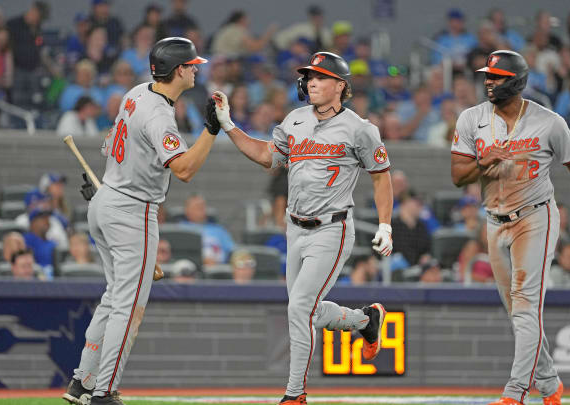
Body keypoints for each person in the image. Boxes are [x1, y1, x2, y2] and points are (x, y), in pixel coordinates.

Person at [211, 51, 393, 405]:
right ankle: (365, 320)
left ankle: (295, 394)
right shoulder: (294, 119)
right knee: (303, 307)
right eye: (309, 76)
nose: (312, 81)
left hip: (332, 228)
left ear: (340, 85)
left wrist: (385, 224)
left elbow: (382, 176)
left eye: (321, 76)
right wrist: (229, 125)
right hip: (294, 227)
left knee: (299, 309)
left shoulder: (360, 128)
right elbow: (268, 157)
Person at [450, 50, 570, 405]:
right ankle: (550, 382)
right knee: (517, 313)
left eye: (496, 76)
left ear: (516, 81)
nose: (489, 82)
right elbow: (457, 177)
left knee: (525, 308)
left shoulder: (549, 122)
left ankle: (514, 394)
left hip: (535, 217)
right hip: (494, 221)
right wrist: (483, 162)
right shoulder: (471, 118)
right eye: (487, 76)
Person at [62, 37, 218, 405]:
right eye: (191, 64)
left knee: (114, 298)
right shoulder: (160, 113)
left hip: (107, 199)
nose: (196, 69)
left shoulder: (136, 92)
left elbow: (113, 144)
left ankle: (83, 381)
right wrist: (210, 131)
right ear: (178, 70)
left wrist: (113, 182)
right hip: (131, 209)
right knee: (128, 306)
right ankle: (104, 391)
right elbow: (184, 170)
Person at [179, 194, 235, 266]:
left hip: (219, 270)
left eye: (202, 206)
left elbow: (233, 250)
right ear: (187, 210)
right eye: (197, 206)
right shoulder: (179, 229)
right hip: (190, 269)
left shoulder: (219, 230)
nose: (201, 209)